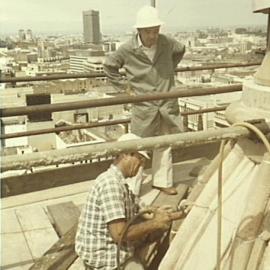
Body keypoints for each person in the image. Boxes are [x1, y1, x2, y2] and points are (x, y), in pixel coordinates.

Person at [103, 5, 186, 196]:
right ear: (139, 31)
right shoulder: (127, 49)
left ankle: (163, 182)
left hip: (166, 102)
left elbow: (180, 49)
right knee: (138, 147)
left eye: (156, 31)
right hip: (144, 106)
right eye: (149, 32)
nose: (153, 36)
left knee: (164, 143)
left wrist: (168, 70)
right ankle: (133, 188)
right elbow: (109, 66)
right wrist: (124, 88)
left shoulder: (166, 43)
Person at [75, 133, 177, 270]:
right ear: (126, 154)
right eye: (140, 158)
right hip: (104, 256)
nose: (142, 164)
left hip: (109, 246)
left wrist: (158, 212)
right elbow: (119, 234)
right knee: (152, 235)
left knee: (155, 231)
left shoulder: (120, 183)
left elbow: (138, 206)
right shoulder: (111, 185)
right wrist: (156, 222)